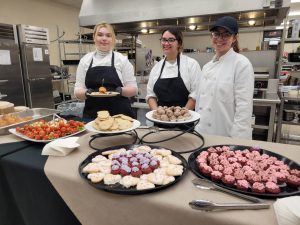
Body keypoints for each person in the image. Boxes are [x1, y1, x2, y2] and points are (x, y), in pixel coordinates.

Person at [195, 16, 254, 139]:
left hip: (225, 135)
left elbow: (244, 108)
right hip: (201, 133)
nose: (220, 39)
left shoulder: (241, 64)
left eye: (226, 34)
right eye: (216, 34)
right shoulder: (206, 67)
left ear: (234, 38)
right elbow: (200, 104)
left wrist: (237, 143)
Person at [74, 22, 138, 121]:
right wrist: (87, 93)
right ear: (94, 37)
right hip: (93, 117)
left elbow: (133, 89)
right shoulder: (85, 61)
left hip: (120, 116)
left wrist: (120, 91)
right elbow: (77, 91)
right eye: (100, 35)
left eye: (108, 35)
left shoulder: (121, 60)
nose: (104, 38)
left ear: (113, 39)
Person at [146, 28, 201, 111]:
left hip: (185, 120)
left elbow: (196, 94)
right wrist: (157, 113)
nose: (166, 43)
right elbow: (151, 95)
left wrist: (182, 114)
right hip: (160, 121)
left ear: (179, 43)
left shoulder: (191, 64)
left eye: (171, 40)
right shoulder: (156, 67)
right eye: (163, 40)